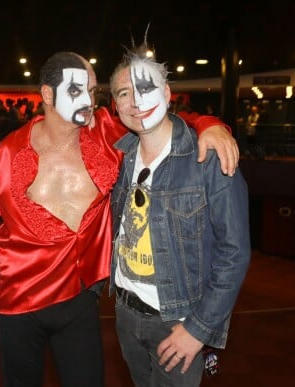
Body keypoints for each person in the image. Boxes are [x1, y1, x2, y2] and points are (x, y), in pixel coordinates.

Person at [0, 51, 239, 387]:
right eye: (77, 90)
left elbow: (162, 118)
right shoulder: (7, 153)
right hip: (19, 302)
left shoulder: (107, 135)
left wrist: (211, 124)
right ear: (47, 95)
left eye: (94, 91)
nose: (90, 101)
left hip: (81, 300)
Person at [109, 43, 250, 386]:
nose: (137, 101)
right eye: (125, 93)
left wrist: (198, 330)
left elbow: (235, 253)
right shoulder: (118, 157)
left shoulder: (209, 159)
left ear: (168, 92)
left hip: (177, 321)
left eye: (146, 88)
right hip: (126, 314)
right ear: (115, 105)